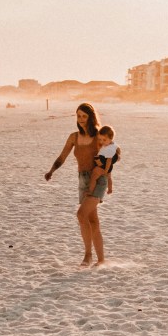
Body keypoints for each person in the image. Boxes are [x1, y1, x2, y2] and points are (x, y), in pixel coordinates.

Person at [45, 102, 109, 267]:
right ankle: (101, 259)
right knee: (92, 219)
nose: (81, 119)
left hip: (97, 179)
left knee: (81, 215)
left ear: (91, 117)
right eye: (78, 116)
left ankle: (88, 256)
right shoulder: (74, 136)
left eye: (84, 116)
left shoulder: (98, 137)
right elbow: (62, 157)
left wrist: (107, 180)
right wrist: (52, 171)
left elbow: (109, 158)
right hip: (82, 179)